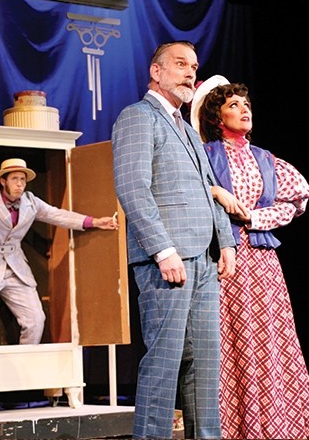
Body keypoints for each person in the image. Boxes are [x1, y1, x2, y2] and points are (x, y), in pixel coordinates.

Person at [111, 40, 237, 440]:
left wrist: (226, 241)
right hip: (167, 258)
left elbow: (208, 187)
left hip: (204, 256)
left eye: (194, 67)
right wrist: (162, 249)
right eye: (180, 64)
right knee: (164, 359)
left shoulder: (186, 129)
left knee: (205, 361)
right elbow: (133, 188)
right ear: (156, 71)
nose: (190, 73)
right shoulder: (137, 116)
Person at [191, 77, 309, 439]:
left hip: (263, 260)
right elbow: (187, 190)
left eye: (246, 105)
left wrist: (253, 216)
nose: (244, 110)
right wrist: (216, 192)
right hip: (224, 257)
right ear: (216, 117)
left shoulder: (264, 158)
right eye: (233, 105)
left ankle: (276, 425)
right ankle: (231, 428)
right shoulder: (205, 155)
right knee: (230, 339)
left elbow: (296, 201)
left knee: (269, 338)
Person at [0, 157, 118, 347]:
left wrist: (94, 222)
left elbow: (57, 215)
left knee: (36, 319)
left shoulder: (30, 202)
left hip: (15, 267)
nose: (20, 184)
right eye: (15, 179)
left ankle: (25, 360)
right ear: (3, 181)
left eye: (23, 179)